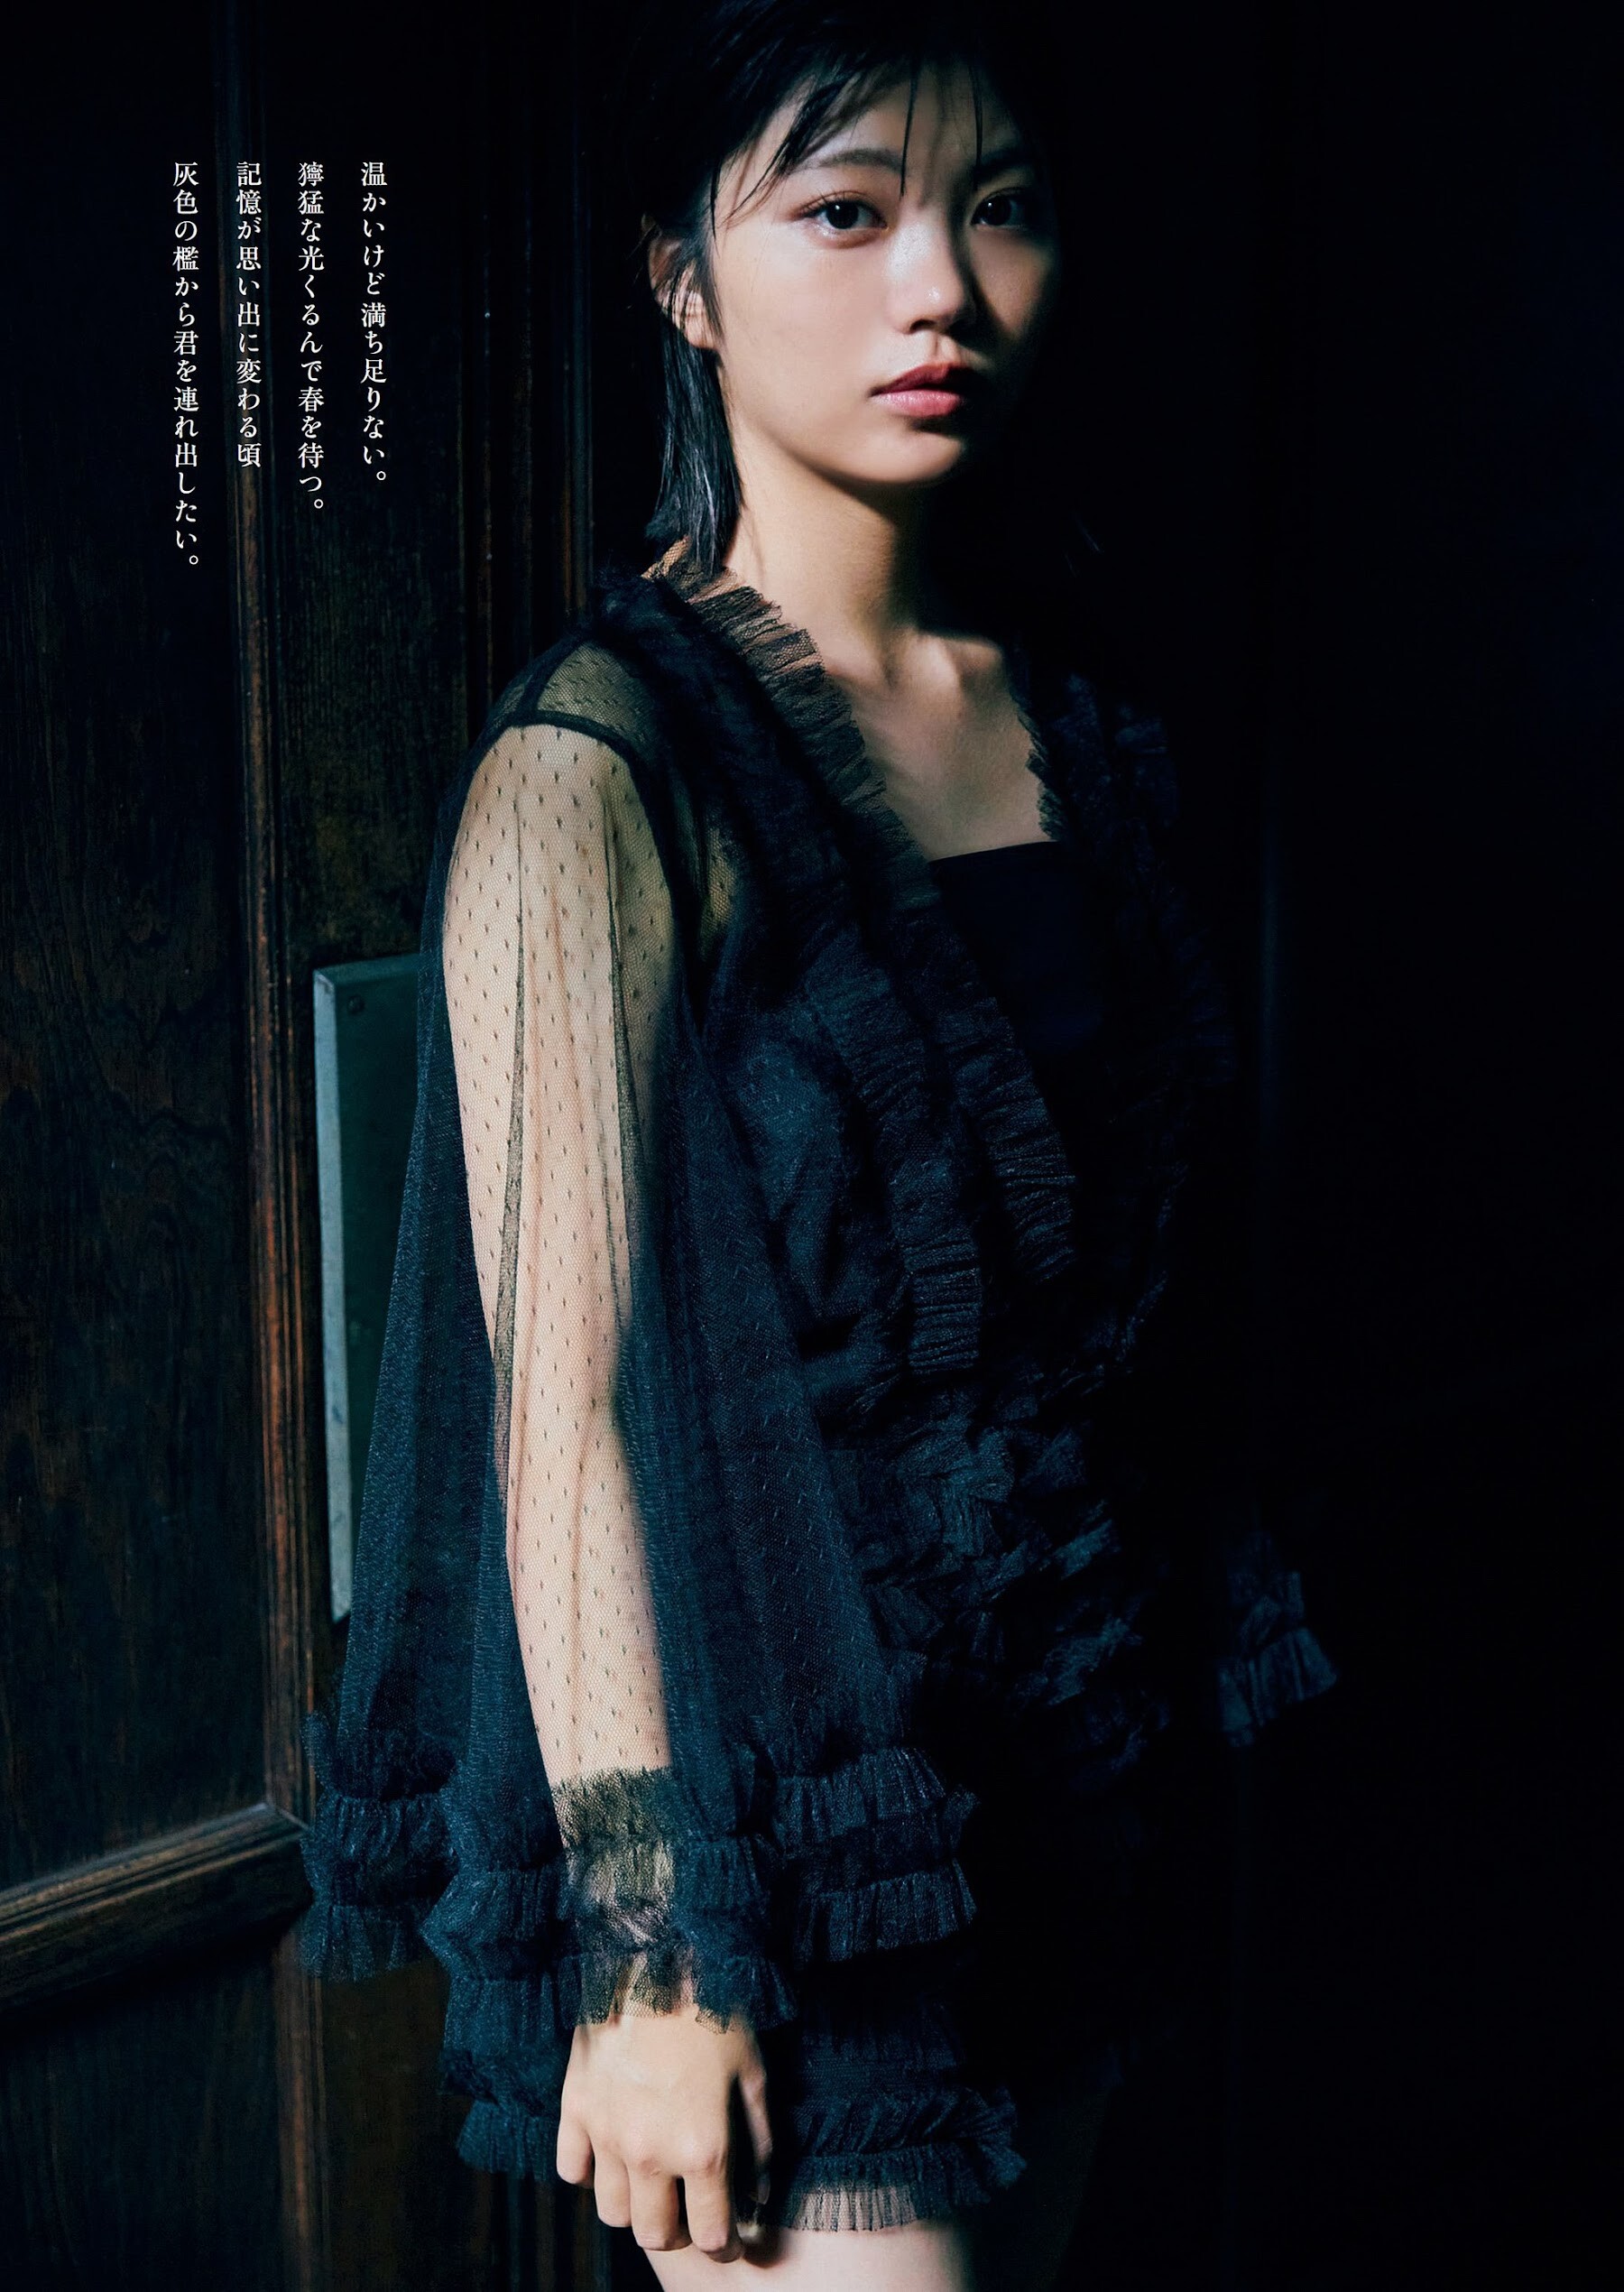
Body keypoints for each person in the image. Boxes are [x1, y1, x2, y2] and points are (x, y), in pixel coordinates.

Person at [297, 6, 1335, 2286]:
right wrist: (655, 1947)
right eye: (847, 213)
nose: (941, 290)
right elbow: (559, 1410)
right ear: (684, 276)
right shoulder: (594, 775)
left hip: (1066, 1765)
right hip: (775, 1818)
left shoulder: (1069, 704)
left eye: (1000, 209)